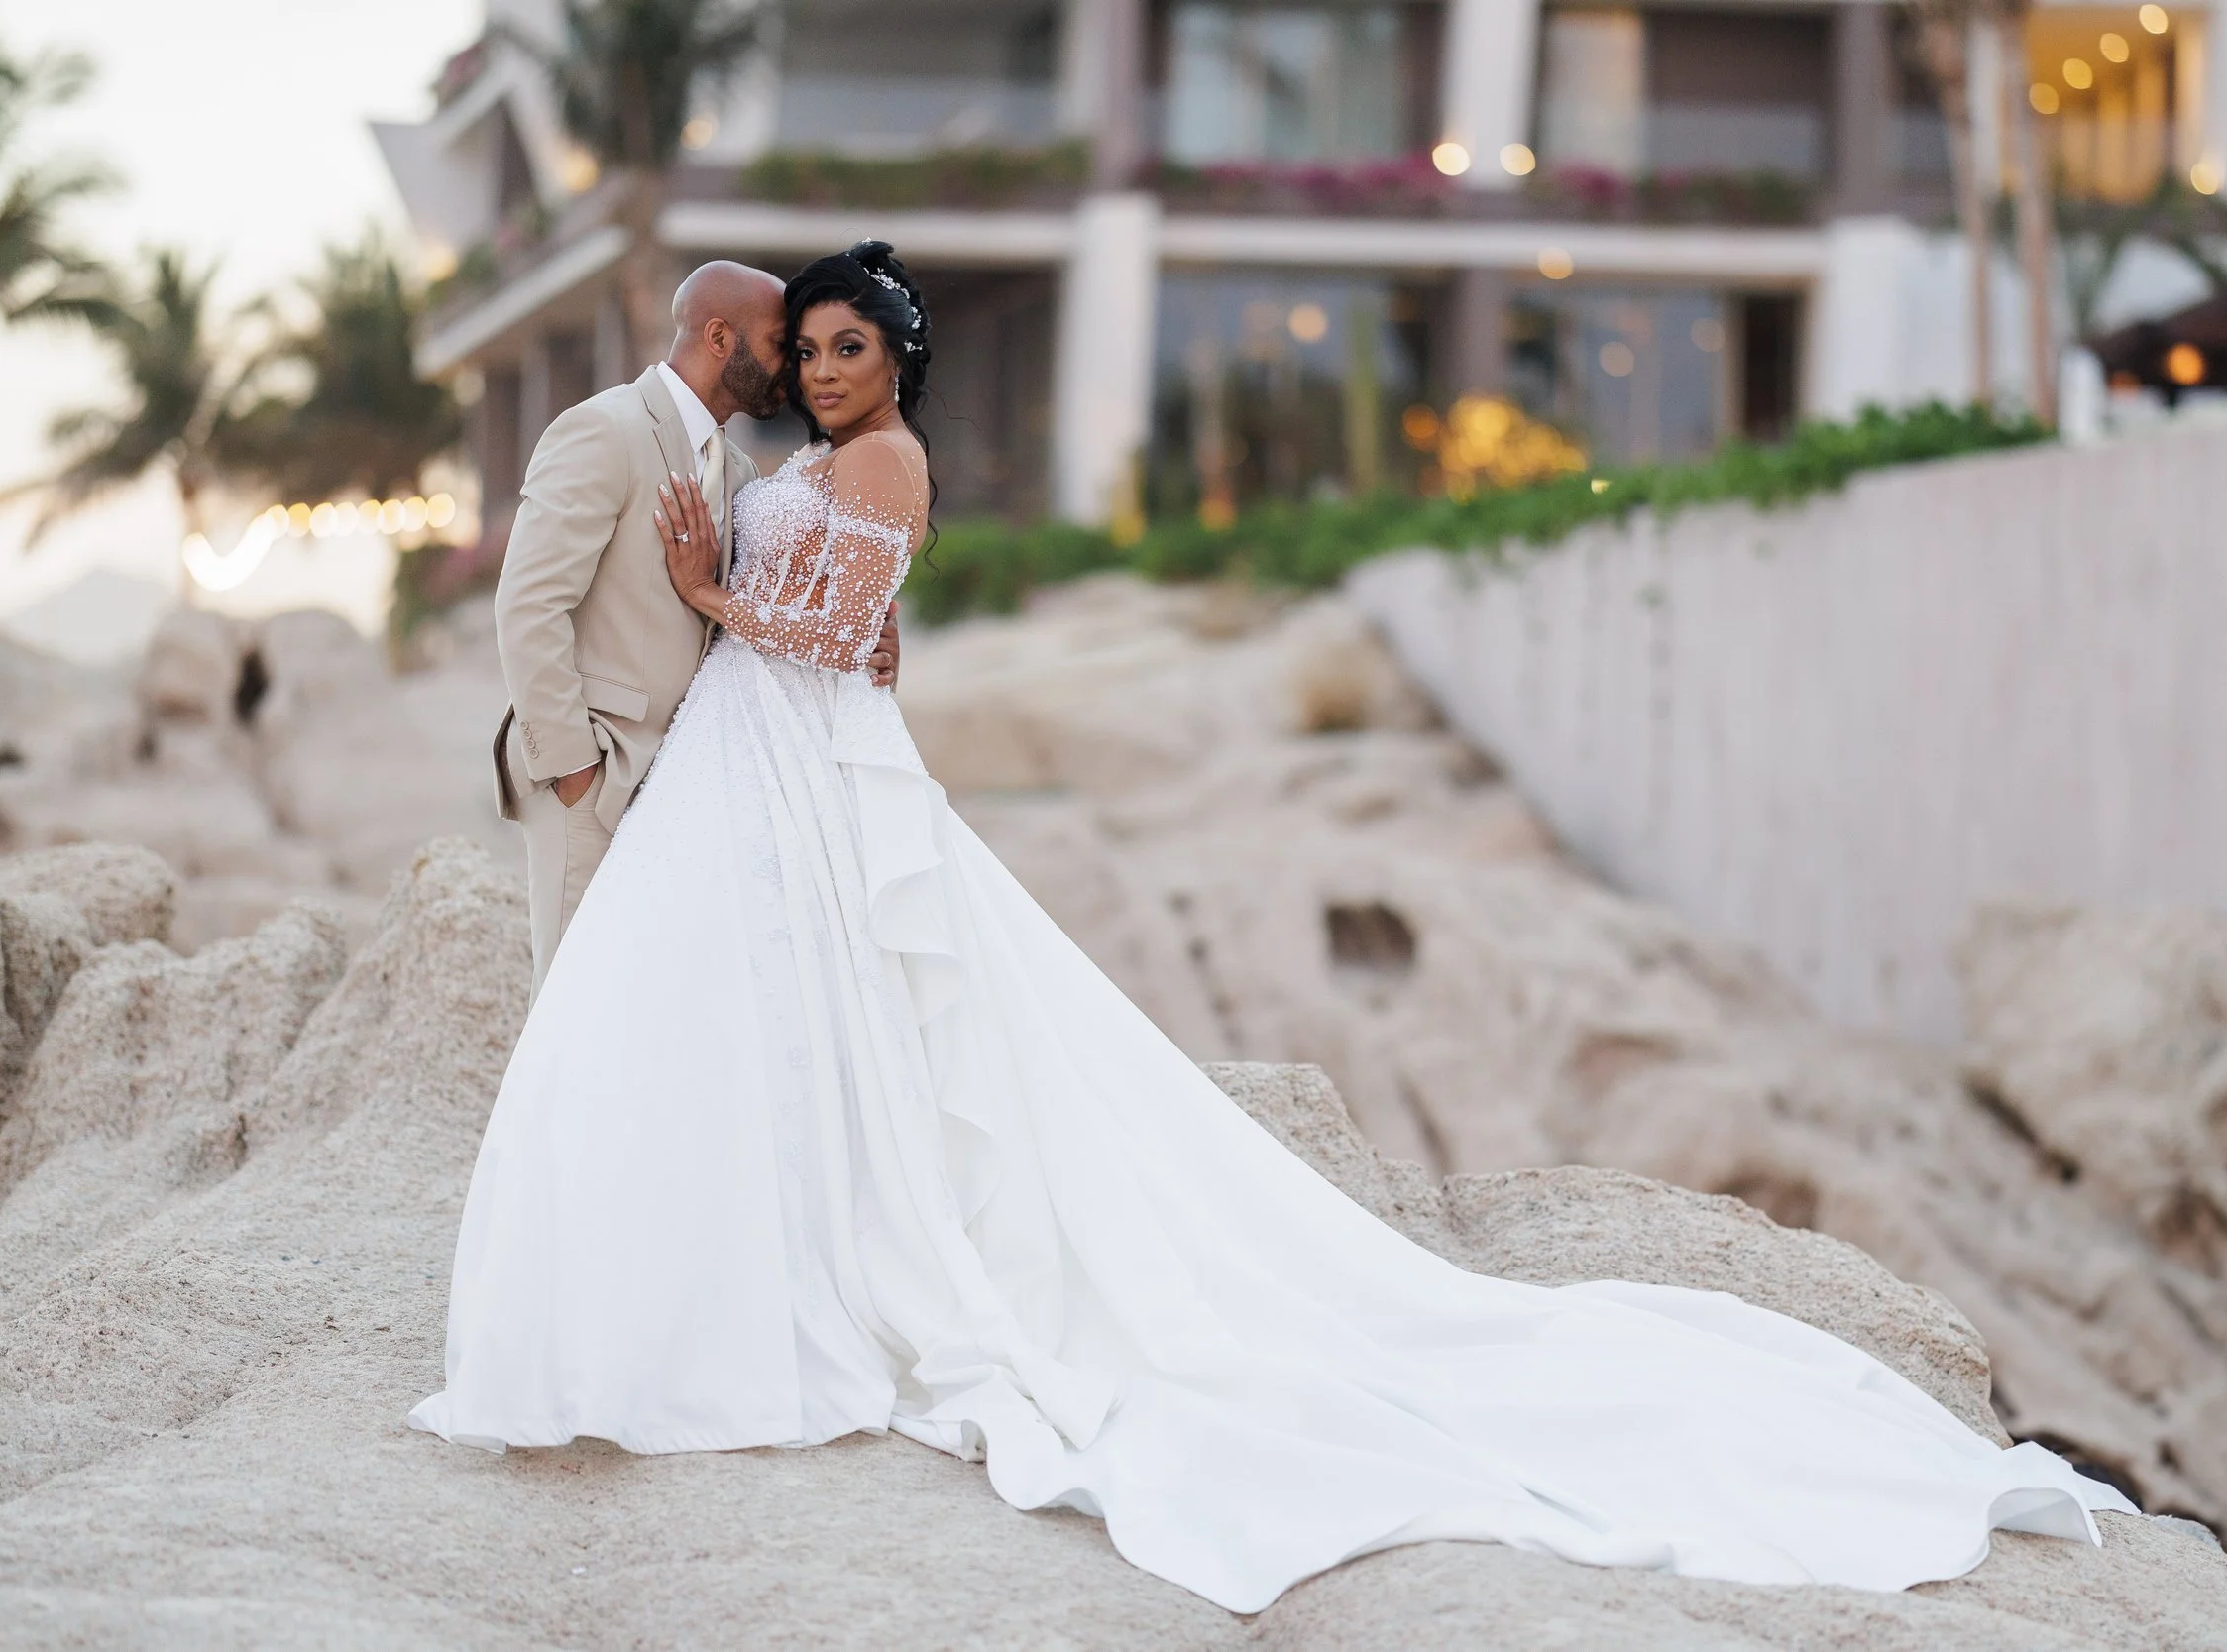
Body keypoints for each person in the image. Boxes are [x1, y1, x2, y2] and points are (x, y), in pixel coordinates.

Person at [411, 241, 2136, 1613]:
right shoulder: (756, 454)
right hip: (736, 770)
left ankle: (787, 1274)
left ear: (893, 363)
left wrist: (722, 593)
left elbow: (830, 623)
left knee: (845, 1033)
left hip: (774, 756)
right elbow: (832, 639)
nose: (816, 366)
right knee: (745, 1021)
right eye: (806, 348)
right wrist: (678, 679)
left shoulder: (879, 467)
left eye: (845, 347)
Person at [489, 261, 898, 994]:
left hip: (682, 791)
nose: (795, 370)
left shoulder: (735, 467)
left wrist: (865, 627)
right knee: (577, 1009)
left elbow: (757, 599)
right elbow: (528, 606)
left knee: (647, 1012)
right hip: (596, 779)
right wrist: (577, 771)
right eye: (783, 345)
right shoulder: (604, 430)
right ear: (720, 336)